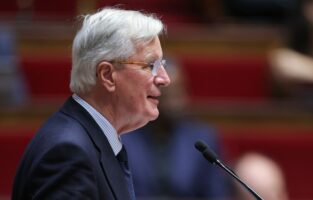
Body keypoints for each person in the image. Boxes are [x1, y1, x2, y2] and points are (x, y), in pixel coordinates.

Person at [12, 7, 170, 200]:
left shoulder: (92, 139)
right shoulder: (69, 153)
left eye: (162, 64)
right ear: (107, 75)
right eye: (150, 65)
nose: (165, 79)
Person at [121, 57, 233, 199]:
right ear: (150, 93)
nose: (177, 102)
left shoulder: (203, 140)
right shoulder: (124, 136)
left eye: (180, 92)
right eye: (169, 94)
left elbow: (216, 194)